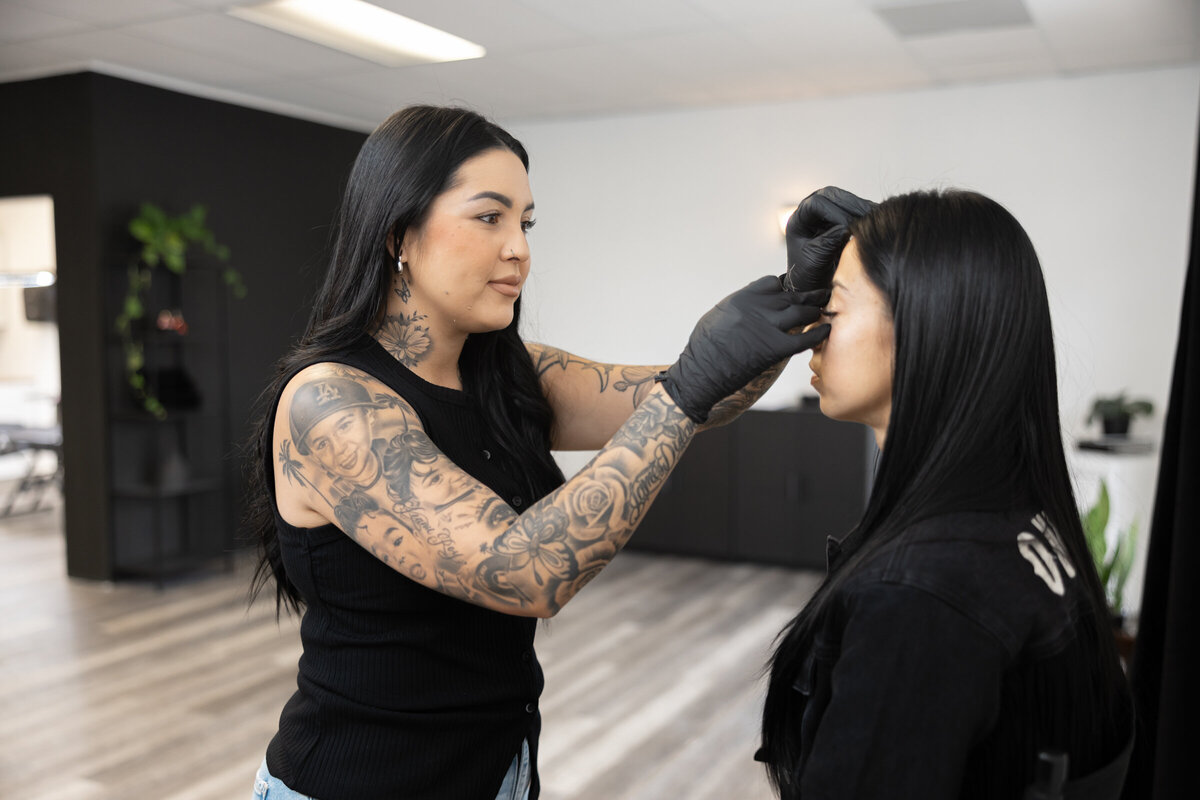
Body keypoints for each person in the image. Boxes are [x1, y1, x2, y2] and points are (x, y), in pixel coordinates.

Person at [244, 104, 833, 800]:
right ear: (400, 232)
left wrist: (802, 296)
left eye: (524, 223)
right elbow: (524, 571)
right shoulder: (332, 403)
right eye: (489, 217)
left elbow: (692, 398)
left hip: (496, 768)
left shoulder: (504, 373)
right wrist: (687, 392)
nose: (519, 249)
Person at [757, 188, 1135, 799]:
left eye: (831, 310)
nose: (808, 332)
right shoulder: (1016, 518)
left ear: (923, 323)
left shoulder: (920, 593)